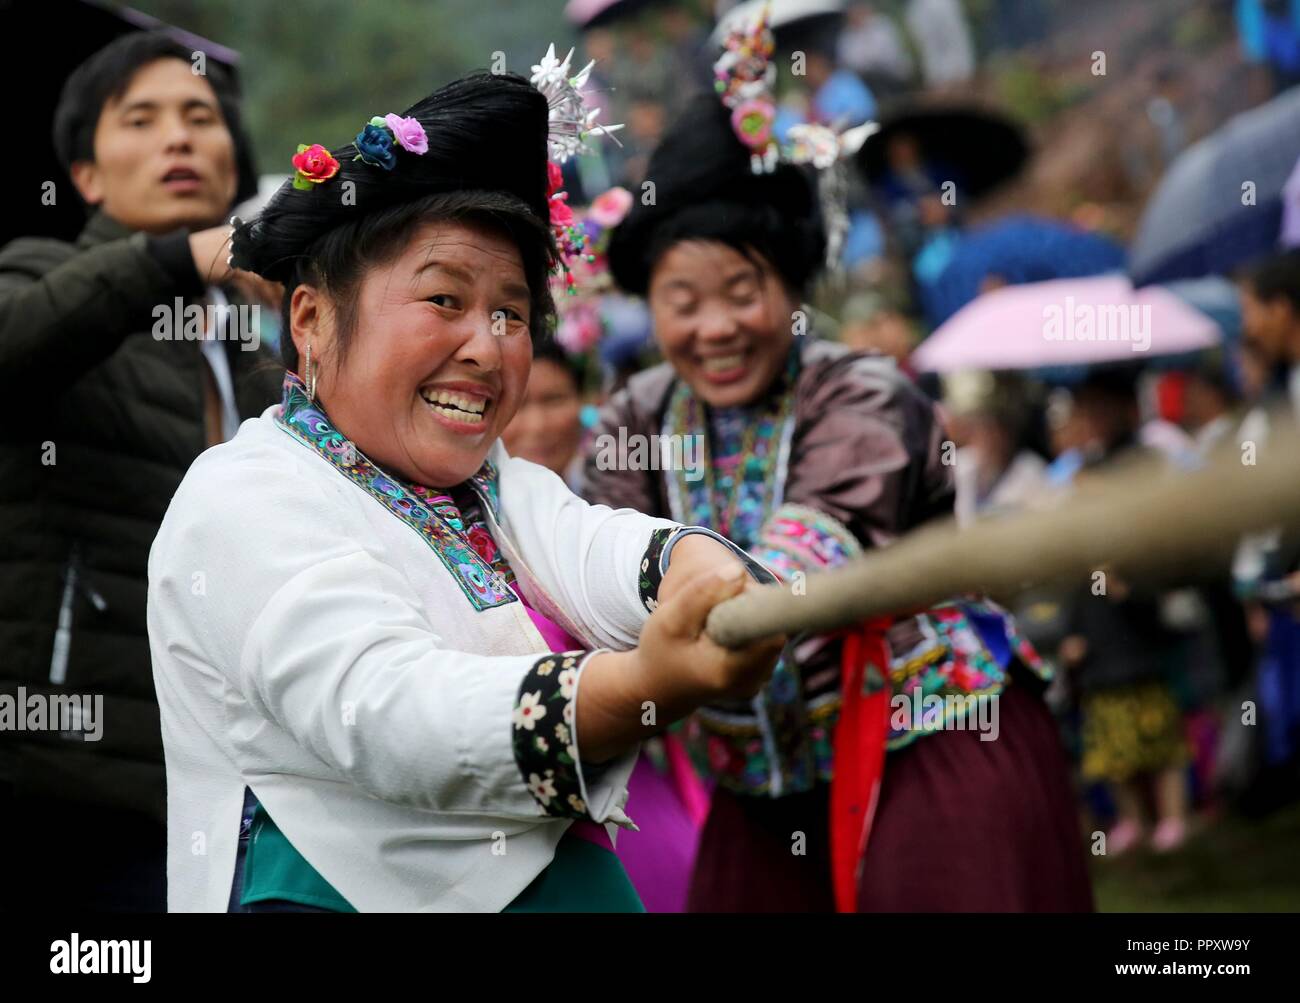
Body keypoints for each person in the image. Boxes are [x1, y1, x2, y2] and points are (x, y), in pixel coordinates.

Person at [147, 68, 787, 913]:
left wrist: (703, 571)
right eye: (444, 297)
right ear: (310, 319)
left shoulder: (496, 486)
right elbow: (390, 713)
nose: (488, 348)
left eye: (512, 314)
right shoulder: (240, 494)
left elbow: (594, 545)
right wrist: (638, 690)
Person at [589, 90, 1093, 912]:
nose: (714, 326)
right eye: (683, 301)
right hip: (758, 786)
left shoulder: (863, 392)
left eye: (742, 290)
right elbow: (599, 566)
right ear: (651, 307)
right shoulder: (633, 418)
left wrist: (712, 606)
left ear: (791, 291)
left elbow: (818, 541)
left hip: (925, 736)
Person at [0, 31, 281, 911]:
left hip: (209, 779)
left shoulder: (249, 341)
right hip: (54, 772)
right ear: (86, 175)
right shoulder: (37, 269)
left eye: (201, 117)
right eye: (143, 119)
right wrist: (180, 257)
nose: (179, 138)